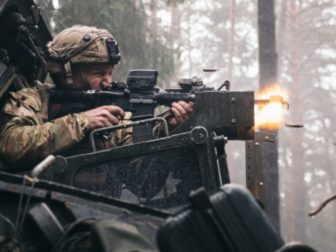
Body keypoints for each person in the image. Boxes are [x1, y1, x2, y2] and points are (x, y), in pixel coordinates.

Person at [0, 25, 193, 171]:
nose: (108, 81)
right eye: (99, 73)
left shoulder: (114, 116)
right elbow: (10, 145)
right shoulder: (33, 101)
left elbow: (141, 182)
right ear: (67, 72)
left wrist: (167, 129)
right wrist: (82, 122)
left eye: (110, 73)